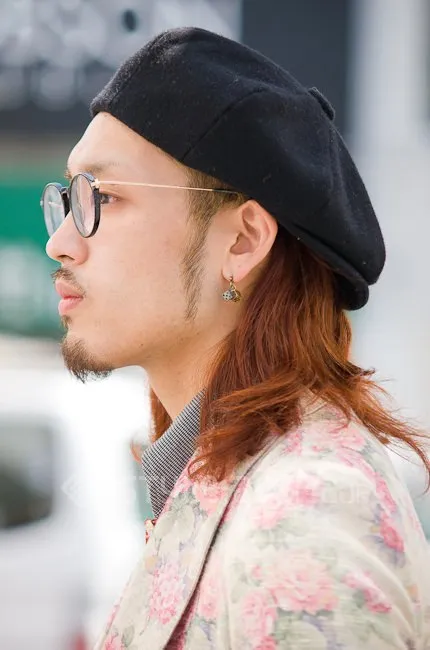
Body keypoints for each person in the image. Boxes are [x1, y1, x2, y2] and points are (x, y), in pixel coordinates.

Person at [41, 26, 430, 650]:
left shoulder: (304, 513)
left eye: (103, 198)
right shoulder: (233, 473)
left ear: (244, 241)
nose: (61, 242)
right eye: (67, 198)